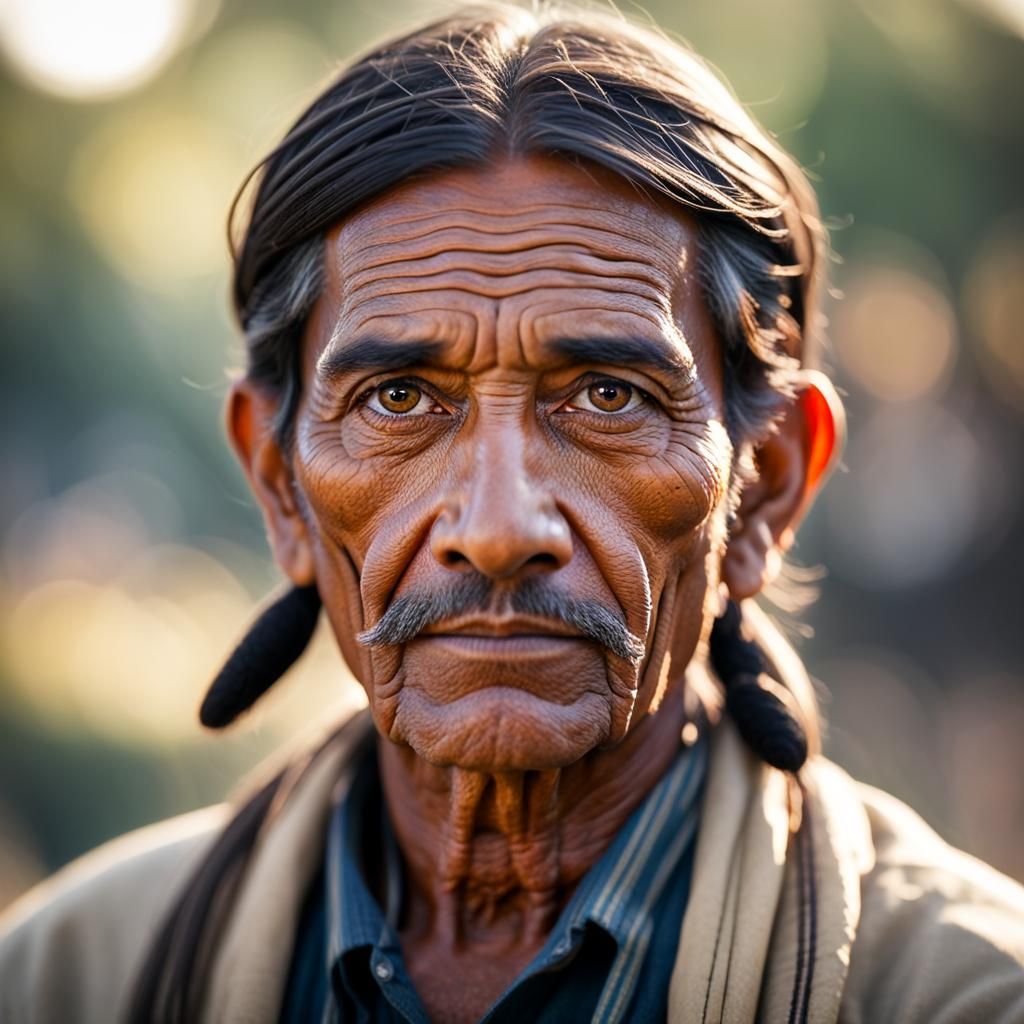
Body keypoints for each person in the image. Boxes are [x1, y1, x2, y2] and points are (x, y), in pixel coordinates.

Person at [2, 4, 1023, 1022]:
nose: (496, 528)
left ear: (764, 482)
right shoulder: (67, 979)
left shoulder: (960, 995)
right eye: (399, 399)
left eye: (607, 396)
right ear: (278, 482)